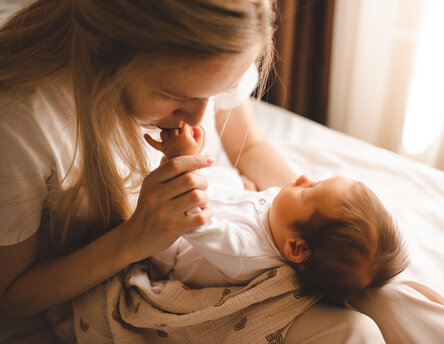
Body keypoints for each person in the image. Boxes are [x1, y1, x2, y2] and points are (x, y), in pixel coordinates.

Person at [0, 0, 385, 342]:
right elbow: (12, 297)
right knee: (356, 333)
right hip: (148, 270)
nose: (200, 119)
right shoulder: (24, 121)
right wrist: (132, 239)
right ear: (108, 57)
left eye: (216, 94)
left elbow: (248, 147)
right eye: (175, 96)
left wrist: (319, 226)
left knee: (384, 294)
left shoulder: (221, 48)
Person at [145, 125, 409, 304]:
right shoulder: (282, 220)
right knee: (232, 180)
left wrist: (182, 158)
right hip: (222, 212)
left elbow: (195, 222)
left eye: (308, 192)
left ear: (295, 247)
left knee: (163, 219)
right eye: (316, 181)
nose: (303, 177)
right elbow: (265, 201)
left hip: (178, 253)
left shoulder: (245, 252)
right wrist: (248, 193)